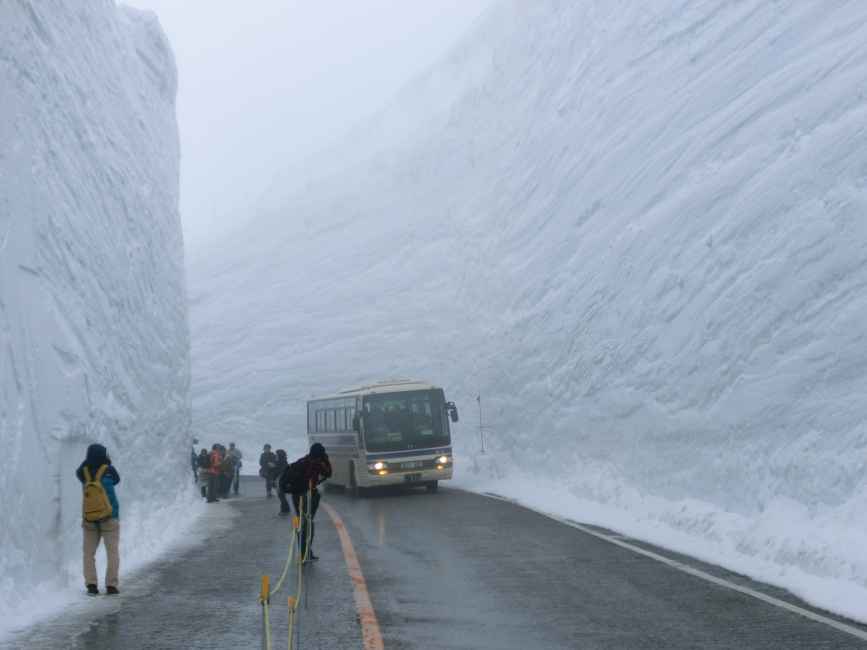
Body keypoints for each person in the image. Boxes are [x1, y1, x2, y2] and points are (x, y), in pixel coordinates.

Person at [76, 444, 121, 595]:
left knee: (88, 553)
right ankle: (111, 585)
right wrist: (107, 462)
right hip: (110, 517)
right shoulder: (108, 470)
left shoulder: (84, 472)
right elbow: (117, 480)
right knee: (112, 552)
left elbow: (77, 472)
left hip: (90, 519)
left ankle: (91, 585)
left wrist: (86, 462)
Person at [279, 443, 332, 560]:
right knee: (308, 523)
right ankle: (305, 553)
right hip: (307, 494)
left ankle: (303, 551)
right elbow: (328, 473)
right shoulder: (317, 464)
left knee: (301, 521)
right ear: (320, 454)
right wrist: (326, 460)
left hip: (296, 495)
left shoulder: (302, 460)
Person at [271, 449, 289, 514]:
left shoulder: (283, 462)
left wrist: (274, 467)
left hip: (280, 481)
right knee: (281, 495)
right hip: (279, 481)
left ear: (280, 455)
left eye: (277, 454)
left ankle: (284, 510)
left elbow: (281, 471)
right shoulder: (279, 461)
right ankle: (286, 509)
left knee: (281, 495)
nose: (276, 455)